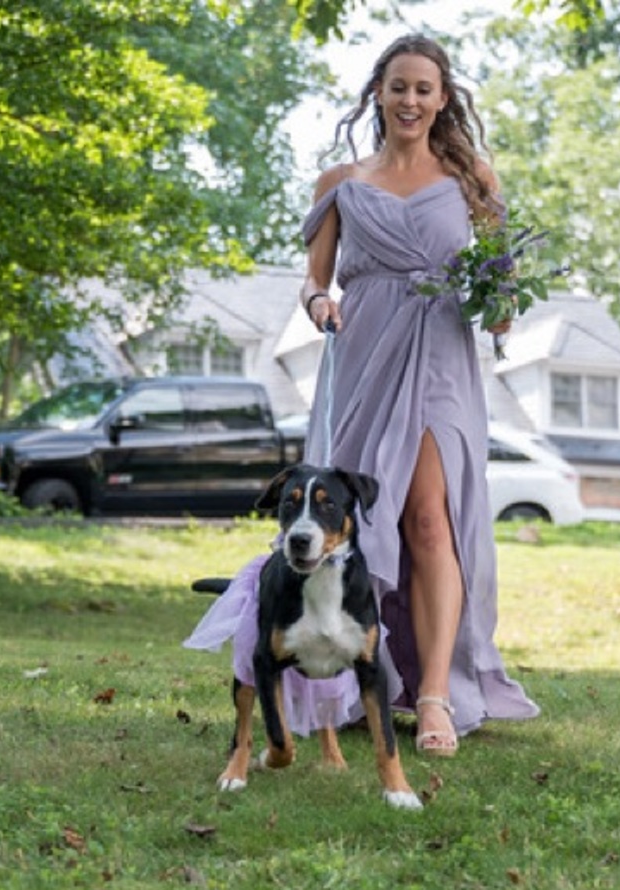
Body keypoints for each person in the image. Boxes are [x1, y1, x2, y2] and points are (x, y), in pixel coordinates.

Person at [186, 33, 538, 756]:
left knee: (430, 521)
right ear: (378, 93)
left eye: (424, 89)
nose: (411, 100)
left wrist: (499, 302)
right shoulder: (340, 183)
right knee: (354, 529)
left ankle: (435, 694)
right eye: (399, 86)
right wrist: (320, 306)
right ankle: (343, 681)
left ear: (443, 100)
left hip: (440, 356)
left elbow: (499, 299)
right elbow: (316, 281)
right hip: (364, 357)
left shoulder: (472, 176)